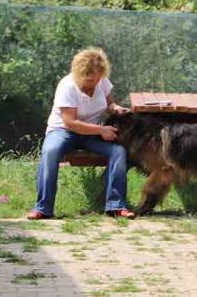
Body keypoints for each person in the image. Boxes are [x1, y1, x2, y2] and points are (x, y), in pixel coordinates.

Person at [27, 47, 135, 220]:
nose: (95, 82)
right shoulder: (67, 86)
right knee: (50, 152)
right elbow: (70, 122)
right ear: (79, 74)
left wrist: (116, 109)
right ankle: (43, 208)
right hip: (63, 131)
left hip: (91, 132)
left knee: (118, 151)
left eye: (98, 77)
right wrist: (101, 130)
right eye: (90, 79)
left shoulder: (102, 81)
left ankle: (116, 206)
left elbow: (109, 104)